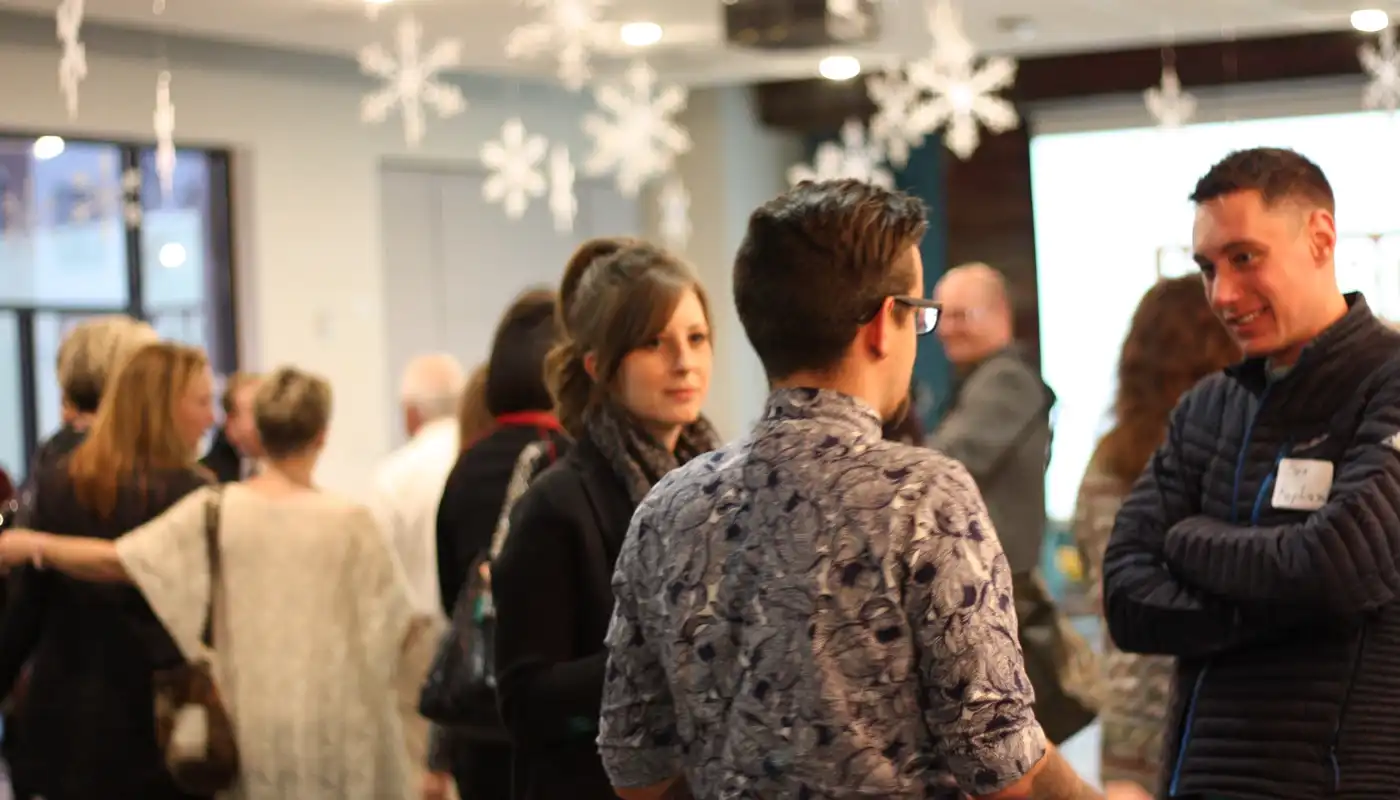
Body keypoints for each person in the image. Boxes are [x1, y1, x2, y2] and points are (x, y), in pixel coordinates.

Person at [598, 179, 1118, 800]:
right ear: (880, 326)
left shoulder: (667, 507)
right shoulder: (922, 497)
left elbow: (635, 765)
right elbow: (1002, 764)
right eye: (920, 314)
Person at [1103, 147, 1400, 799]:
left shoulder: (1388, 382)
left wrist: (1185, 541)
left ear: (1320, 237)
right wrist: (1298, 602)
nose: (1223, 295)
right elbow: (1125, 595)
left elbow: (1335, 567)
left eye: (1245, 258)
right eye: (1208, 268)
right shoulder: (1208, 407)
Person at [0, 367, 422, 799]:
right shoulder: (351, 524)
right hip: (337, 719)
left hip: (246, 719)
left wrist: (37, 543)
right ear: (322, 435)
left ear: (259, 431)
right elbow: (399, 626)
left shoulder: (216, 510)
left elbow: (119, 560)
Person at [491, 238, 718, 800]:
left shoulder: (722, 481)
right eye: (654, 343)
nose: (684, 362)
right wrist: (663, 652)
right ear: (599, 364)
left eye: (696, 338)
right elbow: (524, 700)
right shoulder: (557, 503)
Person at [0, 341, 215, 800]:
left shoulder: (60, 481)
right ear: (163, 406)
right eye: (202, 401)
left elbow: (24, 610)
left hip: (65, 719)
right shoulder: (195, 495)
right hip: (159, 722)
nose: (211, 418)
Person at [1070, 276, 1239, 791]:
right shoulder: (1225, 460)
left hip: (1125, 720)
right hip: (1215, 718)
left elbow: (1092, 569)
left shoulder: (1105, 460)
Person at [426, 288, 569, 800]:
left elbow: (450, 593)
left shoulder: (467, 463)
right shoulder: (568, 460)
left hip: (476, 713)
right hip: (548, 717)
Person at [369, 352, 466, 792]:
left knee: (420, 772)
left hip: (418, 641)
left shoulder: (392, 476)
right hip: (476, 639)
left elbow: (377, 576)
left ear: (411, 413)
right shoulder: (476, 460)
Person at [929, 262, 1055, 578]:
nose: (944, 329)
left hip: (999, 585)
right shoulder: (984, 378)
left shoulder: (1007, 380)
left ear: (1000, 313)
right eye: (941, 316)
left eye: (959, 316)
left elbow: (943, 465)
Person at [201, 371, 265, 482]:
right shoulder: (206, 476)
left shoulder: (290, 464)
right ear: (230, 422)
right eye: (255, 410)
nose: (267, 418)